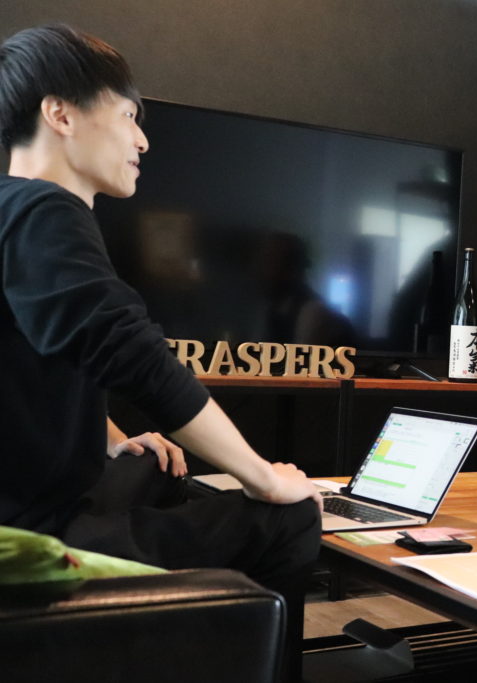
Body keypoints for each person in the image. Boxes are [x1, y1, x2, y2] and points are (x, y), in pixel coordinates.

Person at [0, 24, 322, 680]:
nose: (142, 140)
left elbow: (42, 359)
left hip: (24, 500)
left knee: (159, 464)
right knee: (291, 518)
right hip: (36, 533)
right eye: (128, 116)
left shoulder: (11, 210)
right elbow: (132, 353)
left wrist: (115, 438)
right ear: (60, 114)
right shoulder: (44, 210)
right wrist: (264, 476)